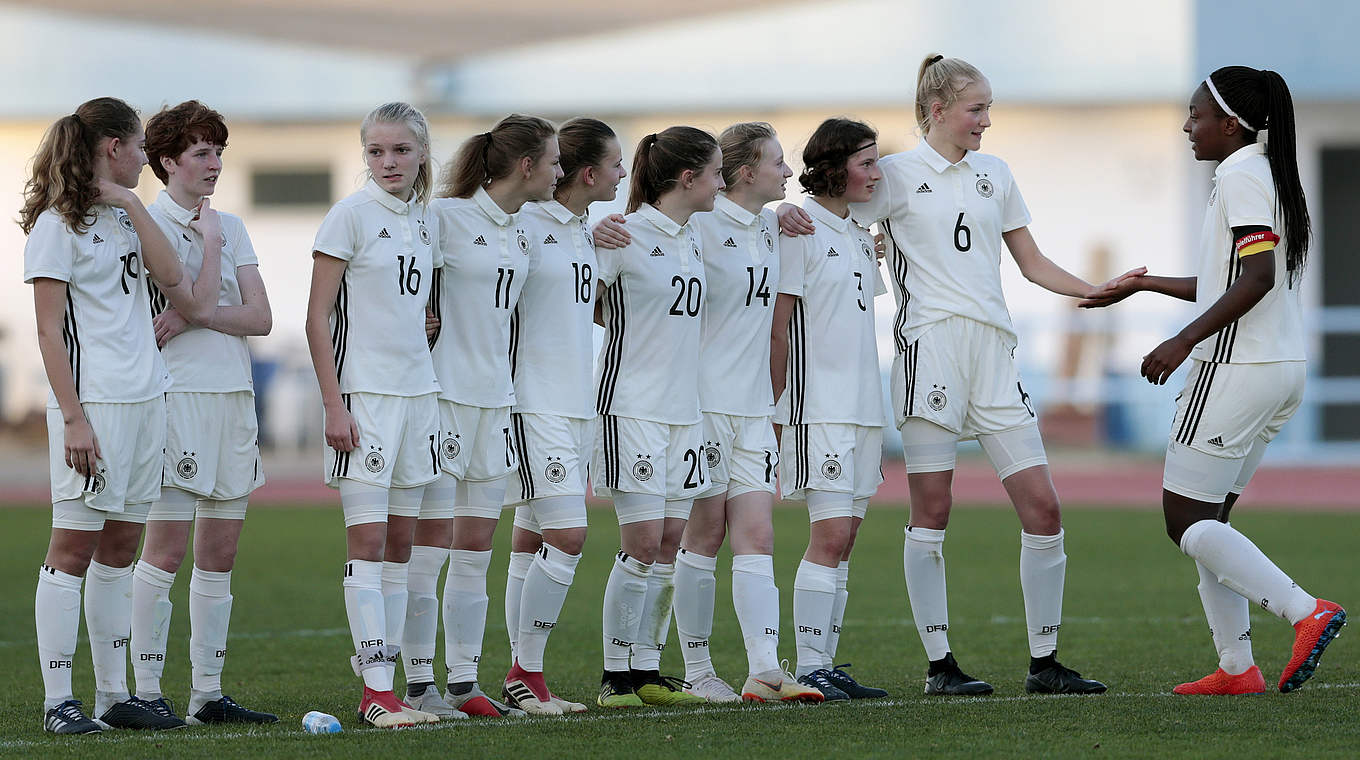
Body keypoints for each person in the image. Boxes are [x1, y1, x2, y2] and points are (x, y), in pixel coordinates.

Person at [779, 56, 1132, 696]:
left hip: (994, 354)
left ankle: (1044, 664)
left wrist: (1093, 292)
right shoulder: (892, 176)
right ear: (937, 110)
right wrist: (779, 215)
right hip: (929, 352)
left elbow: (1030, 262)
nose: (986, 122)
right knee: (932, 512)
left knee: (1044, 508)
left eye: (988, 109)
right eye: (977, 110)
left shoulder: (996, 174)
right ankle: (941, 666)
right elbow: (828, 211)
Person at [1080, 66, 1345, 695]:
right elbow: (1234, 277)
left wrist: (1183, 339)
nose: (1186, 125)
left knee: (1184, 520)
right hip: (1279, 370)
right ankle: (1236, 668)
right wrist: (1144, 284)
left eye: (1196, 115)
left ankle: (1306, 612)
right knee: (1212, 521)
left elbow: (1254, 281)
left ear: (1230, 124)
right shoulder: (1265, 171)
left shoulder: (1240, 172)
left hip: (1234, 370)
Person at [604, 123, 823, 703]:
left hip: (751, 408)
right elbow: (631, 299)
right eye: (779, 161)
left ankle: (765, 670)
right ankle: (694, 670)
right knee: (697, 539)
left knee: (757, 534)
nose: (789, 171)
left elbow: (776, 323)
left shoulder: (775, 230)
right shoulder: (695, 224)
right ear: (742, 171)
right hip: (695, 405)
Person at [23, 97, 199, 734]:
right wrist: (73, 417)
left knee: (121, 547)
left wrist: (127, 205)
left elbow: (174, 274)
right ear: (113, 148)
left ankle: (111, 697)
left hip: (144, 403)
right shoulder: (54, 225)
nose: (146, 160)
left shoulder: (128, 215)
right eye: (138, 148)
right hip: (91, 408)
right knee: (72, 546)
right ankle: (57, 701)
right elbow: (48, 334)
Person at [404, 114, 561, 718]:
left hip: (496, 402)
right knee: (430, 547)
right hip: (443, 399)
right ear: (526, 166)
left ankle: (463, 683)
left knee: (476, 549)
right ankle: (417, 683)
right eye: (552, 159)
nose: (560, 170)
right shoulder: (445, 218)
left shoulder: (523, 229)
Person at [127, 100, 277, 727]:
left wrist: (194, 314)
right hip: (176, 400)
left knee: (220, 554)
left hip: (232, 399)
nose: (215, 163)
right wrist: (200, 298)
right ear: (166, 162)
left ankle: (208, 695)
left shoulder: (231, 226)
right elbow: (155, 316)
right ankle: (146, 690)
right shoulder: (144, 223)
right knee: (163, 551)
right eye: (201, 153)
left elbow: (261, 318)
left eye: (218, 152)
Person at [305, 102, 444, 729]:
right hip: (367, 404)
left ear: (421, 154)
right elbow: (317, 317)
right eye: (375, 152)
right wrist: (335, 405)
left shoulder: (424, 218)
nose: (387, 162)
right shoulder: (350, 216)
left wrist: (424, 328)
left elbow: (410, 305)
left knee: (400, 546)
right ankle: (375, 694)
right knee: (366, 542)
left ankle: (389, 685)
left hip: (420, 398)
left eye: (400, 151)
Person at [591, 126, 722, 708]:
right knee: (641, 541)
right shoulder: (624, 234)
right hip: (631, 409)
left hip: (683, 412)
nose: (722, 182)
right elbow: (578, 302)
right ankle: (615, 675)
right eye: (716, 172)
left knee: (670, 542)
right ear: (688, 178)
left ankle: (647, 670)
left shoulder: (692, 236)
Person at [499, 118, 625, 715]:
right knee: (568, 536)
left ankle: (520, 677)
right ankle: (526, 672)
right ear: (588, 172)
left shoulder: (584, 231)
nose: (623, 174)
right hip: (534, 403)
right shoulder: (523, 225)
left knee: (530, 538)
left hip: (578, 406)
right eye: (615, 163)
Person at [768, 117, 890, 702]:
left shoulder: (858, 235)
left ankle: (826, 663)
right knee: (830, 534)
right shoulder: (796, 228)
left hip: (864, 408)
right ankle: (810, 665)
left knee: (847, 540)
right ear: (835, 167)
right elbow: (779, 322)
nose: (876, 172)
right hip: (818, 408)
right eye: (867, 162)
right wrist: (771, 407)